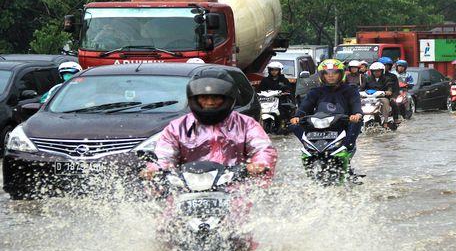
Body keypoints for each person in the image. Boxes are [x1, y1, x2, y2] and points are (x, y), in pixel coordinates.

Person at [142, 75, 277, 179]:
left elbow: (263, 148)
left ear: (228, 98)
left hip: (235, 191)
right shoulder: (177, 127)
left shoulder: (246, 124)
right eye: (204, 97)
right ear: (193, 98)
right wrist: (155, 169)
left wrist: (259, 164)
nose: (210, 102)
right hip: (186, 191)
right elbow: (164, 155)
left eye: (216, 97)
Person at [290, 59, 362, 150]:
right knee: (294, 125)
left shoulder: (351, 90)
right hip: (318, 123)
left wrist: (356, 115)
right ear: (322, 75)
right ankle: (308, 146)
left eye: (334, 73)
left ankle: (347, 147)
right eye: (327, 73)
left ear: (341, 74)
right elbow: (305, 106)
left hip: (342, 123)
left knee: (358, 121)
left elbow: (356, 105)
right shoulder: (315, 91)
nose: (330, 76)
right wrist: (297, 116)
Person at [364, 61, 400, 126]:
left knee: (385, 102)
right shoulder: (367, 78)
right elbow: (362, 87)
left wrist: (388, 91)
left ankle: (385, 122)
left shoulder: (387, 79)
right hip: (370, 98)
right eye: (374, 71)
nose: (376, 72)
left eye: (378, 71)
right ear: (372, 71)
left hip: (382, 97)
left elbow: (390, 86)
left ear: (382, 71)